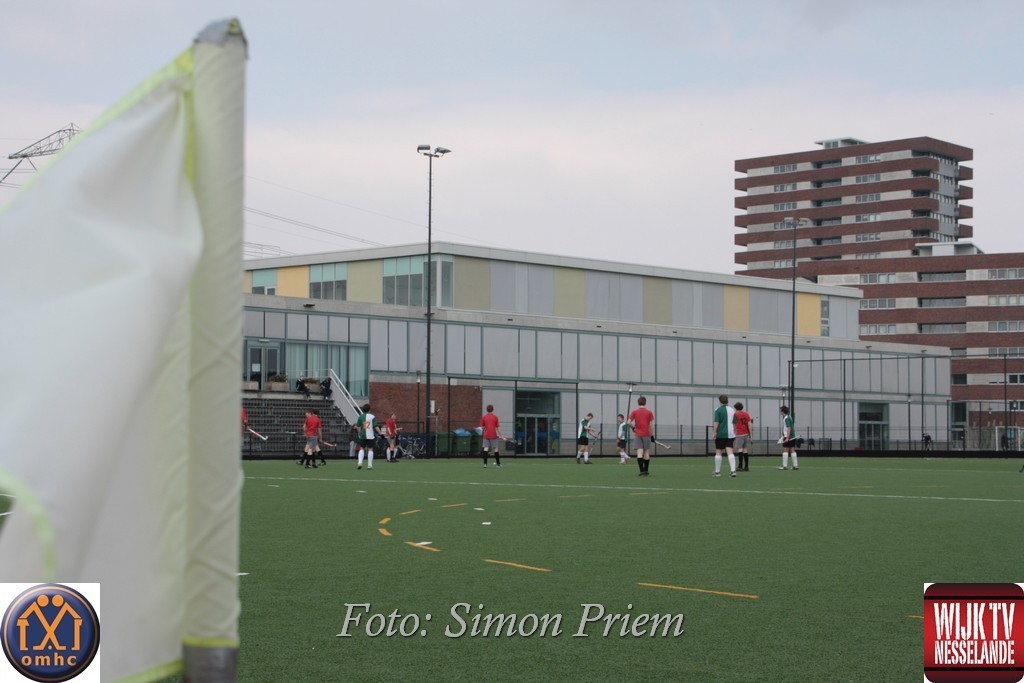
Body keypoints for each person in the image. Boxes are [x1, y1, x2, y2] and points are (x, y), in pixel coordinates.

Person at [628, 396, 655, 476]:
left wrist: (633, 428)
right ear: (645, 403)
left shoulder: (634, 412)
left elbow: (628, 422)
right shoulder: (649, 412)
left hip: (638, 434)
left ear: (638, 403)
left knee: (639, 452)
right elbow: (651, 425)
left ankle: (641, 471)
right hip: (646, 434)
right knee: (646, 451)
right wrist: (652, 435)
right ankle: (646, 470)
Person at [712, 395, 737, 478]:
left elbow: (716, 422)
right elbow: (735, 423)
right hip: (730, 434)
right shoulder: (732, 410)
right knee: (730, 451)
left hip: (721, 434)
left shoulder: (718, 410)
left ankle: (717, 472)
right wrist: (734, 432)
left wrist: (714, 432)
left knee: (718, 451)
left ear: (720, 401)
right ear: (727, 401)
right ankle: (733, 471)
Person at [355, 403, 377, 470]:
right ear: (369, 409)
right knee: (370, 449)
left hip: (363, 435)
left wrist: (359, 433)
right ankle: (369, 465)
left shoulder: (361, 416)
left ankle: (360, 463)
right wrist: (380, 433)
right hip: (370, 436)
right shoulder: (372, 416)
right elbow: (375, 426)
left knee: (362, 448)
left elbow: (357, 426)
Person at [733, 402, 753, 471]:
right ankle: (746, 466)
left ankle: (740, 466)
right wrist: (750, 435)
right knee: (745, 449)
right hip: (746, 434)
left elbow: (734, 424)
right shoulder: (746, 414)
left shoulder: (735, 414)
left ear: (736, 408)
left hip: (739, 434)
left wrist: (733, 433)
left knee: (740, 449)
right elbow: (749, 425)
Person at [779, 405, 799, 470]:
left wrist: (787, 438)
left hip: (788, 437)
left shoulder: (786, 418)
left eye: (780, 411)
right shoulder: (789, 417)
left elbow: (789, 428)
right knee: (792, 450)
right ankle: (795, 466)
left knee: (785, 450)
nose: (780, 412)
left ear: (783, 411)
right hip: (793, 436)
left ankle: (784, 466)